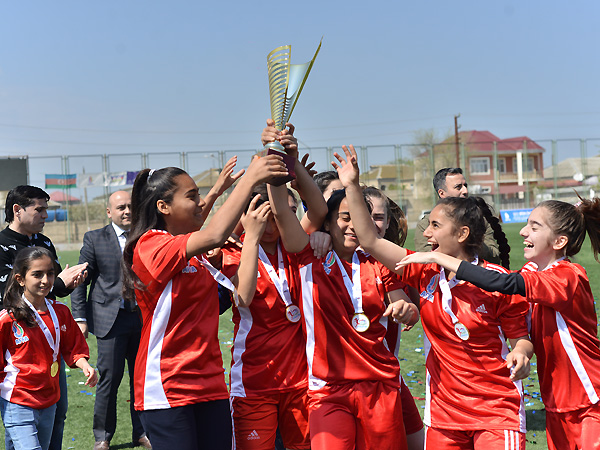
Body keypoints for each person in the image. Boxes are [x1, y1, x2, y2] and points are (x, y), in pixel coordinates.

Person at [335, 145, 533, 449]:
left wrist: (522, 352)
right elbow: (371, 240)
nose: (426, 233)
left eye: (435, 226)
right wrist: (350, 185)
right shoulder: (423, 271)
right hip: (444, 416)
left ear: (462, 234)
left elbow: (521, 336)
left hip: (496, 410)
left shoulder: (497, 281)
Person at [400, 198, 600, 449]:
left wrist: (438, 258)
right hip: (557, 403)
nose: (524, 231)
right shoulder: (531, 271)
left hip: (590, 399)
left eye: (535, 227)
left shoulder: (568, 276)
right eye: (527, 224)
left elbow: (501, 283)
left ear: (560, 242)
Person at [121, 155, 288, 450]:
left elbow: (241, 295)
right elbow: (213, 234)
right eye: (192, 196)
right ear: (163, 206)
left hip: (210, 383)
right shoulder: (150, 244)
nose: (200, 203)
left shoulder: (195, 253)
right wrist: (250, 178)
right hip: (167, 384)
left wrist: (248, 237)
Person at [268, 170, 418, 450]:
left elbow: (407, 307)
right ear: (328, 223)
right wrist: (278, 160)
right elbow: (281, 214)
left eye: (356, 218)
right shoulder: (308, 258)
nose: (351, 226)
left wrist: (404, 309)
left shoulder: (378, 262)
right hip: (328, 389)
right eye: (344, 218)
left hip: (379, 384)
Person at [221, 122, 326, 450]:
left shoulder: (294, 244)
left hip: (300, 381)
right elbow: (243, 298)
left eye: (277, 217)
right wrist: (250, 238)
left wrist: (288, 160)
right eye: (262, 218)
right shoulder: (233, 249)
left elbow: (319, 210)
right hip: (254, 381)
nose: (272, 225)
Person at [0, 185, 89, 450]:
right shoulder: (1, 246)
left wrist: (71, 281)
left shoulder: (44, 242)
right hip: (20, 347)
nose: (45, 216)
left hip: (49, 339)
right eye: (39, 209)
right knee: (20, 420)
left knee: (56, 410)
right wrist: (60, 285)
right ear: (18, 210)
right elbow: (8, 296)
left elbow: (54, 288)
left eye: (46, 209)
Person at [71, 191, 151, 450]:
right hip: (110, 321)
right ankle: (102, 437)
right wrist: (80, 317)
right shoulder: (94, 239)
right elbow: (79, 281)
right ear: (109, 212)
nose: (127, 211)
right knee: (109, 379)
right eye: (120, 207)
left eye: (130, 206)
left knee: (142, 379)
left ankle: (144, 433)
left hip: (142, 318)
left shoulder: (146, 236)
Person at [362, 187, 424, 450]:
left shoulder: (395, 262)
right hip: (345, 382)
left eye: (378, 217)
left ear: (388, 222)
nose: (372, 223)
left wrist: (406, 310)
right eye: (366, 215)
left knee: (418, 443)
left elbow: (407, 306)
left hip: (387, 376)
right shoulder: (330, 258)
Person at [414, 168, 502, 265]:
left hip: (476, 277)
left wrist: (472, 241)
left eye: (465, 186)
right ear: (442, 193)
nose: (465, 191)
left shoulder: (480, 220)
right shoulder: (425, 225)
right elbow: (428, 263)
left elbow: (494, 258)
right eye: (458, 187)